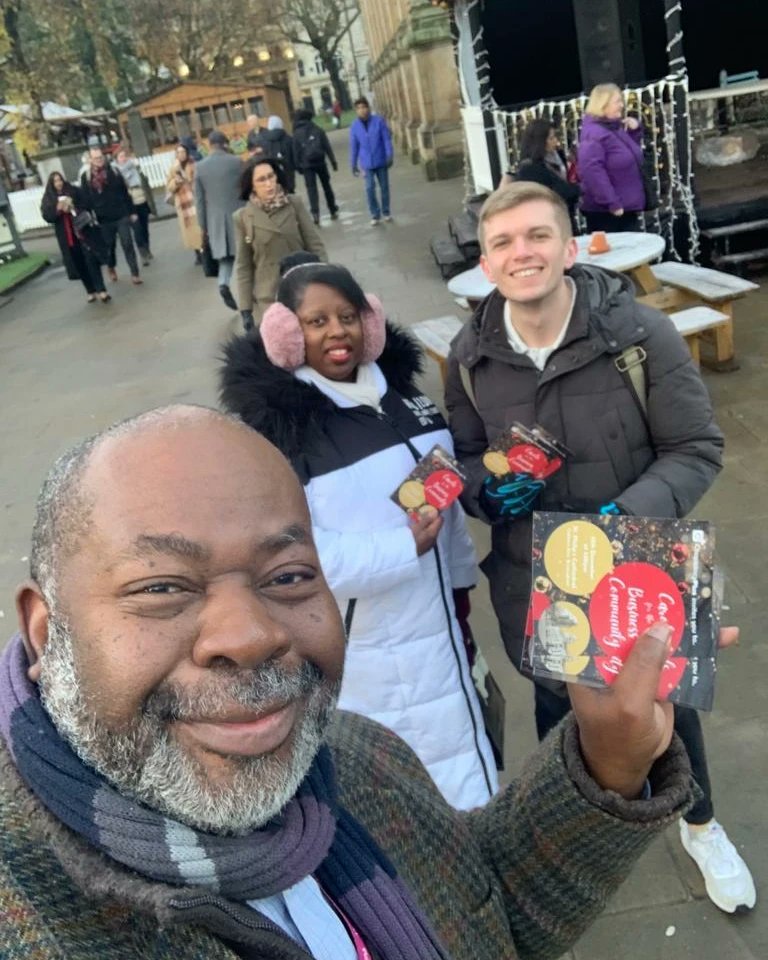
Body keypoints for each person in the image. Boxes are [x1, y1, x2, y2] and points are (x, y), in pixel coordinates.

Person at [0, 401, 709, 955]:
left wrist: (608, 763)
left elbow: (483, 913)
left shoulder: (360, 756)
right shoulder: (30, 914)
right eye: (161, 587)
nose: (250, 636)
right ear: (45, 631)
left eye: (288, 575)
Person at [445, 181, 756, 914]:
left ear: (570, 247)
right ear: (485, 263)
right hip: (533, 576)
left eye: (538, 235)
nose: (522, 253)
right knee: (560, 708)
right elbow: (465, 458)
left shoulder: (639, 333)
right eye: (503, 242)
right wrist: (487, 492)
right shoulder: (469, 356)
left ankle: (701, 825)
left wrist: (625, 517)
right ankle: (579, 838)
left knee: (664, 703)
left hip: (639, 566)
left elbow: (696, 447)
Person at [221, 263, 498, 807]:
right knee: (398, 788)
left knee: (464, 764)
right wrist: (402, 548)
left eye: (347, 316)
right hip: (366, 648)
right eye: (316, 321)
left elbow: (442, 503)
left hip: (441, 624)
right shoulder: (280, 432)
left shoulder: (406, 400)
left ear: (369, 323)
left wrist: (461, 581)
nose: (337, 332)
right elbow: (283, 562)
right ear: (286, 333)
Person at [232, 159, 326, 332]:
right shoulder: (243, 217)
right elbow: (244, 266)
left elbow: (315, 244)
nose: (269, 184)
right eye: (261, 180)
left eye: (271, 176)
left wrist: (327, 279)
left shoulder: (294, 204)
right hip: (268, 298)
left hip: (303, 290)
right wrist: (245, 310)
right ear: (252, 186)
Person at [577, 82, 646, 232]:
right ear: (603, 104)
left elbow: (627, 156)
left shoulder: (614, 129)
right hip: (609, 213)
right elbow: (592, 171)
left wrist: (634, 132)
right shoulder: (594, 134)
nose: (622, 105)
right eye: (617, 101)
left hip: (625, 207)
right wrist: (611, 202)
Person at [39, 171, 111, 304]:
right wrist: (58, 209)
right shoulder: (49, 199)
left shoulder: (73, 191)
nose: (59, 183)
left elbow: (87, 203)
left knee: (91, 260)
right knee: (79, 264)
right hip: (68, 237)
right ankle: (90, 290)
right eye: (55, 181)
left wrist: (74, 207)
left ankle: (101, 290)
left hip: (83, 232)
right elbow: (47, 216)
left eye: (60, 180)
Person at [194, 129, 244, 311]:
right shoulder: (237, 162)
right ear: (225, 143)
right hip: (239, 215)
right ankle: (251, 294)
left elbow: (199, 200)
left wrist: (203, 226)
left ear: (209, 145)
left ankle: (223, 283)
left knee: (225, 259)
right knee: (246, 257)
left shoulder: (200, 167)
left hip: (215, 220)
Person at [79, 147, 142, 286]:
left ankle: (135, 273)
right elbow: (85, 199)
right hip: (103, 219)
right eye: (96, 158)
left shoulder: (113, 171)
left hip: (121, 214)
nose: (99, 160)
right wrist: (88, 216)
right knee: (109, 246)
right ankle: (111, 266)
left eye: (100, 157)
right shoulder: (86, 177)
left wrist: (132, 212)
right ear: (90, 160)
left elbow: (125, 193)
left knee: (127, 243)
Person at [507, 119, 581, 232]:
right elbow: (555, 190)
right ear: (540, 141)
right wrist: (578, 189)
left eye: (555, 137)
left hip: (565, 214)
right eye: (551, 138)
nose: (555, 141)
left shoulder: (557, 156)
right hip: (547, 219)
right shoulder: (530, 168)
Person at [349, 96, 393, 226]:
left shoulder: (378, 121)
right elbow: (354, 146)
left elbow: (386, 139)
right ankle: (375, 214)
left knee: (384, 187)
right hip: (366, 163)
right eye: (359, 108)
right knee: (369, 188)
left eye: (364, 107)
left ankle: (386, 211)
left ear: (368, 108)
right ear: (356, 111)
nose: (362, 110)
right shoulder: (354, 126)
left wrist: (389, 155)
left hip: (381, 159)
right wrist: (353, 164)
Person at [292, 108, 339, 225]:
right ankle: (332, 209)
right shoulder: (317, 129)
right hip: (320, 162)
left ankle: (315, 213)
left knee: (311, 189)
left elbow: (296, 152)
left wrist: (298, 167)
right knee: (326, 186)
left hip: (307, 165)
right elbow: (327, 146)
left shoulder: (296, 133)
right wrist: (333, 161)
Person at [113, 146, 156, 267]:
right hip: (128, 200)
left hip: (140, 197)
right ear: (116, 159)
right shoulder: (115, 172)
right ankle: (143, 253)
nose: (124, 158)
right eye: (121, 156)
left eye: (124, 156)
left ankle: (146, 247)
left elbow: (143, 181)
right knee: (137, 228)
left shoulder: (134, 166)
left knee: (144, 226)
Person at [165, 143, 204, 263]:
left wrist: (186, 177)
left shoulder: (193, 164)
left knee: (200, 227)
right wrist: (175, 182)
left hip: (195, 199)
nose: (181, 154)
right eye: (179, 152)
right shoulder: (173, 168)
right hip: (183, 204)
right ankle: (197, 253)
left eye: (183, 152)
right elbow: (169, 187)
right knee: (190, 229)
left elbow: (198, 180)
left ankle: (204, 251)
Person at [249, 116, 296, 193]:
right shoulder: (287, 138)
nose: (250, 124)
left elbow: (266, 149)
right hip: (287, 165)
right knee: (289, 185)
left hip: (272, 163)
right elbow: (293, 152)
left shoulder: (266, 136)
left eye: (252, 121)